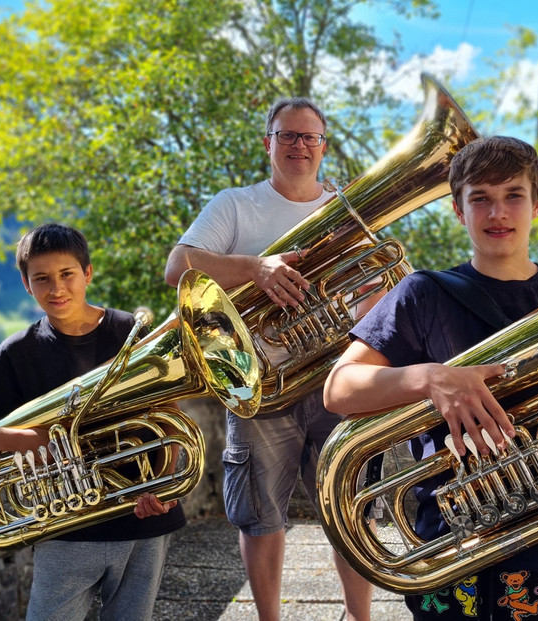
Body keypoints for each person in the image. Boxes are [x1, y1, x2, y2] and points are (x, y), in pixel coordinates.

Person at [323, 136, 538, 620]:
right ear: (459, 210)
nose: (498, 213)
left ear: (537, 204)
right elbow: (339, 388)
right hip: (453, 551)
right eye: (481, 199)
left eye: (513, 195)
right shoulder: (423, 295)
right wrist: (432, 378)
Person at [163, 96, 374, 621]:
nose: (299, 146)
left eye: (310, 137)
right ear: (268, 143)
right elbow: (177, 267)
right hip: (257, 383)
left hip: (337, 381)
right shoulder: (236, 205)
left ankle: (361, 617)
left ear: (324, 147)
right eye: (288, 136)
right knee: (259, 517)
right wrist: (257, 268)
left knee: (350, 512)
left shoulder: (348, 208)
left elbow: (376, 287)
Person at [0, 222, 185, 621]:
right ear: (27, 285)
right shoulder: (20, 351)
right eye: (42, 279)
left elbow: (169, 421)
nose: (57, 288)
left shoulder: (131, 334)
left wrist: (166, 484)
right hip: (65, 529)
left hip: (142, 517)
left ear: (88, 273)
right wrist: (22, 441)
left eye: (67, 274)